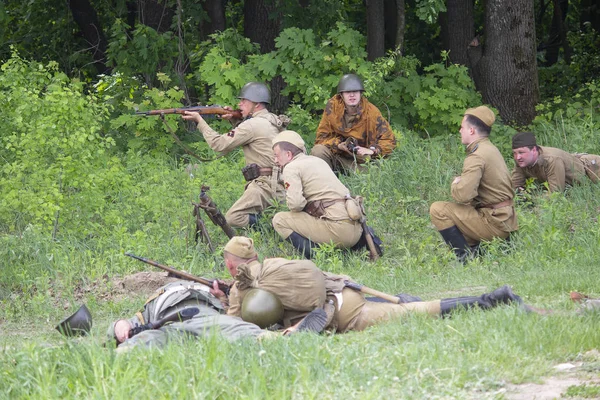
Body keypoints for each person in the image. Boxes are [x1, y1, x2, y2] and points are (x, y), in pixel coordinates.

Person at [210, 237, 535, 334]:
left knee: (417, 312)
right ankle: (491, 297)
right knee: (411, 307)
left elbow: (237, 326)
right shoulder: (274, 264)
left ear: (230, 264)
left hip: (340, 315)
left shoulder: (243, 288)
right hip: (344, 292)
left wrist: (224, 299)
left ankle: (492, 299)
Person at [182, 82, 287, 229]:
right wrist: (234, 119)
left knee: (233, 218)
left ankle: (270, 227)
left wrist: (200, 121)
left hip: (265, 186)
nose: (240, 103)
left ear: (256, 104)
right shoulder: (271, 119)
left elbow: (219, 145)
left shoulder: (252, 125)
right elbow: (250, 135)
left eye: (244, 100)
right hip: (280, 183)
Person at [429, 106, 518, 261]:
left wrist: (456, 183)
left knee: (438, 209)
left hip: (495, 223)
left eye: (462, 127)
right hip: (506, 219)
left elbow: (463, 195)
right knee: (464, 211)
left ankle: (466, 259)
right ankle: (480, 253)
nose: (459, 131)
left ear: (471, 131)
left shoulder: (476, 156)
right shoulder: (490, 149)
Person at [270, 130, 364, 258]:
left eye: (276, 155)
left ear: (288, 154)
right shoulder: (317, 161)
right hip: (356, 230)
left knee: (279, 220)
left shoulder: (291, 167)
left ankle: (318, 256)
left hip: (337, 231)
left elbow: (295, 205)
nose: (275, 160)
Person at [106, 279, 267, 351]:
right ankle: (122, 355)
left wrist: (222, 297)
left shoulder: (209, 291)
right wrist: (119, 325)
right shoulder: (156, 298)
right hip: (169, 324)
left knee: (239, 328)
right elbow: (126, 326)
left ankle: (276, 337)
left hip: (207, 317)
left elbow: (233, 311)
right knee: (148, 339)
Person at [310, 74, 396, 173]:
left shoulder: (371, 112)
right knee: (318, 151)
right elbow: (321, 139)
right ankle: (327, 180)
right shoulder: (332, 109)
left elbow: (390, 141)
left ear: (361, 93)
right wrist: (338, 145)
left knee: (375, 174)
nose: (352, 95)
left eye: (355, 91)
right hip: (337, 155)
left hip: (360, 161)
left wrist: (372, 150)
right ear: (341, 95)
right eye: (348, 92)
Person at [511, 131, 600, 193]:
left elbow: (556, 192)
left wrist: (533, 199)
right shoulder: (522, 161)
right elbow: (513, 187)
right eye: (514, 153)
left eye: (521, 152)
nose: (517, 157)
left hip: (593, 168)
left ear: (534, 150)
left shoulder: (551, 159)